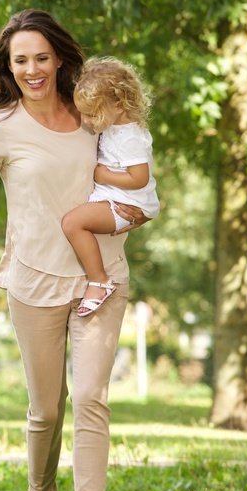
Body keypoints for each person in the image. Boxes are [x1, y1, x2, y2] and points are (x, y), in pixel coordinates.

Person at [0, 9, 149, 491]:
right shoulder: (1, 127)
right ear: (9, 66)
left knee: (92, 399)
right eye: (20, 60)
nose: (32, 69)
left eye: (41, 58)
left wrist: (140, 204)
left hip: (101, 279)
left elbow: (133, 162)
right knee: (46, 410)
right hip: (34, 280)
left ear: (59, 60)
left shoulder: (90, 115)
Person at [61, 56, 159, 317]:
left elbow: (140, 178)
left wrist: (104, 177)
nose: (87, 121)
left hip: (128, 202)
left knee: (73, 223)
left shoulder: (131, 137)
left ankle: (99, 281)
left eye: (92, 114)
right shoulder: (113, 126)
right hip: (115, 196)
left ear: (117, 104)